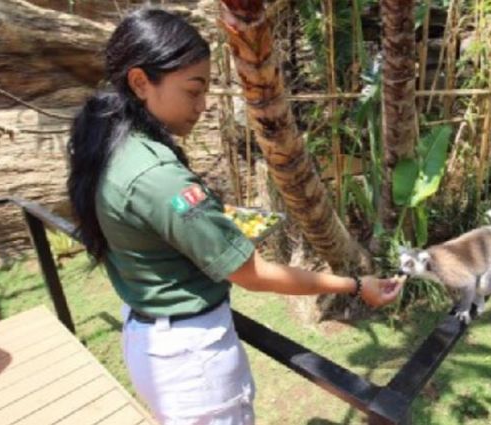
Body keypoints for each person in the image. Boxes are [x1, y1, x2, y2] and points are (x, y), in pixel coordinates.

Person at [66, 8, 403, 425]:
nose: (204, 105)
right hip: (192, 362)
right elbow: (252, 274)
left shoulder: (106, 143)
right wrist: (355, 285)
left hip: (149, 338)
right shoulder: (157, 176)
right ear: (140, 82)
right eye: (193, 90)